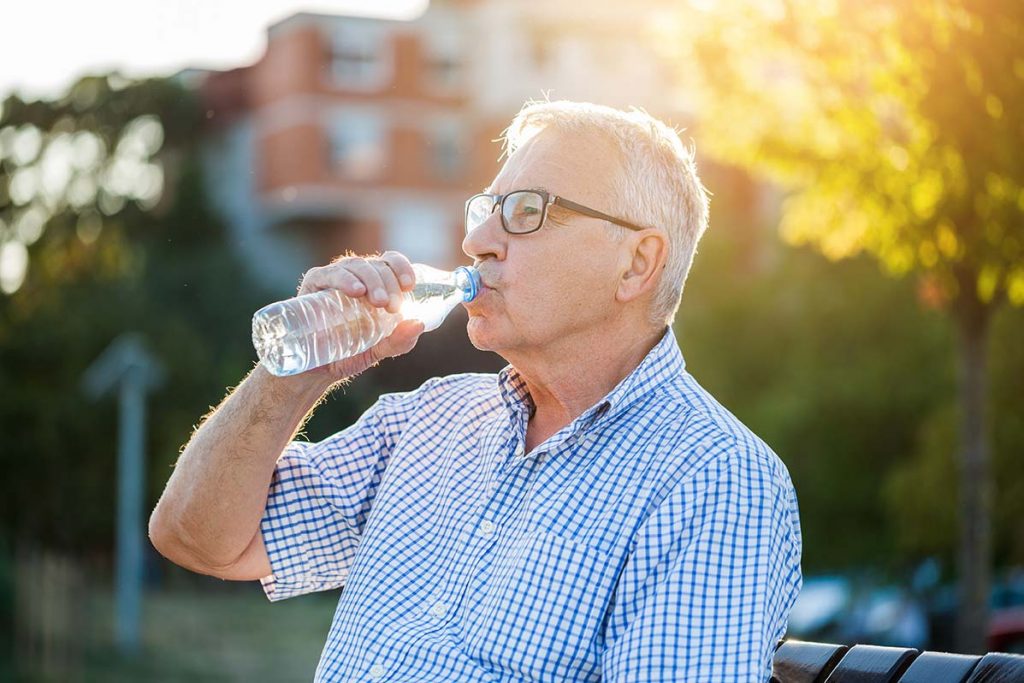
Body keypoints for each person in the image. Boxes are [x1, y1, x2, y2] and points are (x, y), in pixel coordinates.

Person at [149, 100, 802, 682]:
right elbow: (196, 537)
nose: (475, 241)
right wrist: (295, 375)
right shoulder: (429, 419)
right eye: (485, 210)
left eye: (525, 212)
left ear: (636, 263)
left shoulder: (716, 480)